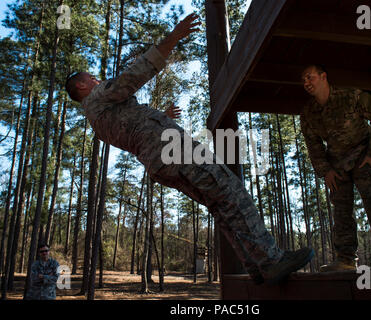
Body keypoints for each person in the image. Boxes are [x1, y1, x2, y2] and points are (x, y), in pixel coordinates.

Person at [65, 13, 314, 285]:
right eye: (92, 78)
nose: (98, 80)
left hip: (161, 164)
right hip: (175, 151)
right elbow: (131, 78)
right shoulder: (98, 97)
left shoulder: (97, 123)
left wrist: (162, 115)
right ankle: (271, 260)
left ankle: (255, 266)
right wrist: (174, 37)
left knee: (219, 204)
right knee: (231, 190)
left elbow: (133, 129)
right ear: (81, 85)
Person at [300, 64, 371, 272]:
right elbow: (313, 144)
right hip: (337, 164)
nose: (306, 83)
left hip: (363, 156)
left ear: (323, 76)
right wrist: (325, 170)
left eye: (310, 78)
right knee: (341, 210)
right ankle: (346, 259)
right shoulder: (309, 113)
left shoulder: (351, 96)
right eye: (303, 81)